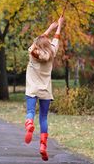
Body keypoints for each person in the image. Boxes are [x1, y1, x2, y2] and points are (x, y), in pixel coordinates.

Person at [24, 16, 64, 161]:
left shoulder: (32, 52)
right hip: (46, 91)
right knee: (43, 117)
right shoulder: (52, 51)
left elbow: (37, 41)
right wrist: (59, 26)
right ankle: (43, 146)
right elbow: (56, 38)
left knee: (30, 112)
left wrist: (49, 28)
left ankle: (29, 123)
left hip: (32, 89)